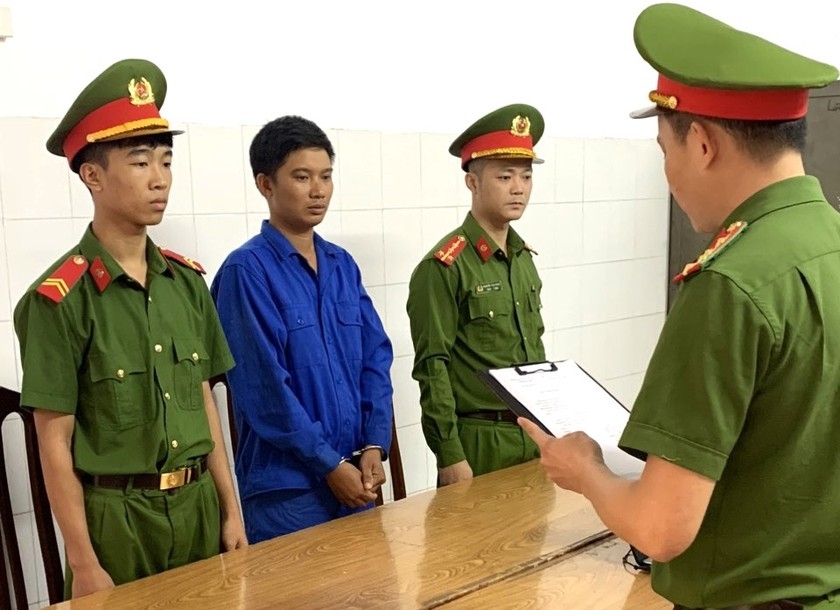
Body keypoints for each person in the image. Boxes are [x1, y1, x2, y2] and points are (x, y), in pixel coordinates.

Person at [519, 4, 840, 609]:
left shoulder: (732, 284)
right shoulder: (830, 244)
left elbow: (661, 529)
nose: (668, 173)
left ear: (702, 143)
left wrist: (586, 470)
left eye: (664, 149)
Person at [14, 58, 247, 600]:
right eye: (140, 162)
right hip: (117, 524)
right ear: (92, 176)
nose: (159, 178)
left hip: (197, 508)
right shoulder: (59, 302)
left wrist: (230, 510)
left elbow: (205, 402)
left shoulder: (188, 285)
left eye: (166, 161)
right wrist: (83, 562)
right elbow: (54, 440)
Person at [211, 115, 394, 543]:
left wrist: (374, 442)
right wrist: (327, 463)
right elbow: (265, 390)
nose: (318, 190)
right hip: (288, 493)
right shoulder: (246, 271)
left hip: (356, 479)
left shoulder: (341, 264)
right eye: (302, 176)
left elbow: (375, 358)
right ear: (265, 184)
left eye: (326, 176)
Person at [406, 104, 546, 486]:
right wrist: (450, 455)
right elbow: (432, 368)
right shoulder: (444, 266)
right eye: (505, 176)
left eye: (526, 176)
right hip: (480, 442)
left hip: (532, 438)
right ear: (473, 182)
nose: (518, 188)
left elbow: (535, 349)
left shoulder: (522, 259)